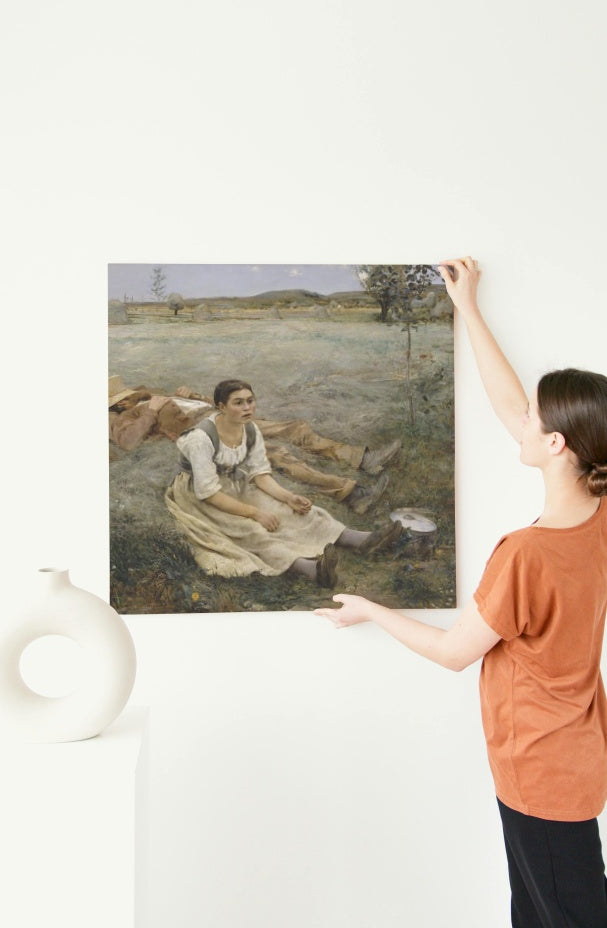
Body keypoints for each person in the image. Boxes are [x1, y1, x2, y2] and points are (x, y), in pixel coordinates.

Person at [316, 256, 607, 928]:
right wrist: (467, 307)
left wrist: (372, 608)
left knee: (561, 915)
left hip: (541, 771)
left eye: (534, 422)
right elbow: (512, 406)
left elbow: (454, 652)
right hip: (570, 756)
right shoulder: (596, 511)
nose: (520, 422)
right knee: (538, 911)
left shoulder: (526, 555)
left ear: (558, 443)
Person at [165, 379, 403, 586]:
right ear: (221, 407)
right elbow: (208, 493)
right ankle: (311, 570)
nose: (247, 408)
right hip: (199, 496)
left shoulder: (250, 430)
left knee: (288, 511)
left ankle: (360, 539)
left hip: (234, 484)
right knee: (249, 530)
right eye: (239, 403)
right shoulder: (200, 438)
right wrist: (254, 513)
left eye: (250, 401)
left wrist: (288, 497)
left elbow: (259, 474)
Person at [108, 377, 399, 513]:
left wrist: (190, 393)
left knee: (293, 427)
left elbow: (199, 404)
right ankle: (352, 494)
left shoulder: (154, 395)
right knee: (277, 454)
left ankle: (363, 460)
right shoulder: (130, 416)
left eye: (127, 394)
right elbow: (128, 442)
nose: (128, 398)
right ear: (118, 404)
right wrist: (149, 410)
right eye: (121, 399)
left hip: (222, 414)